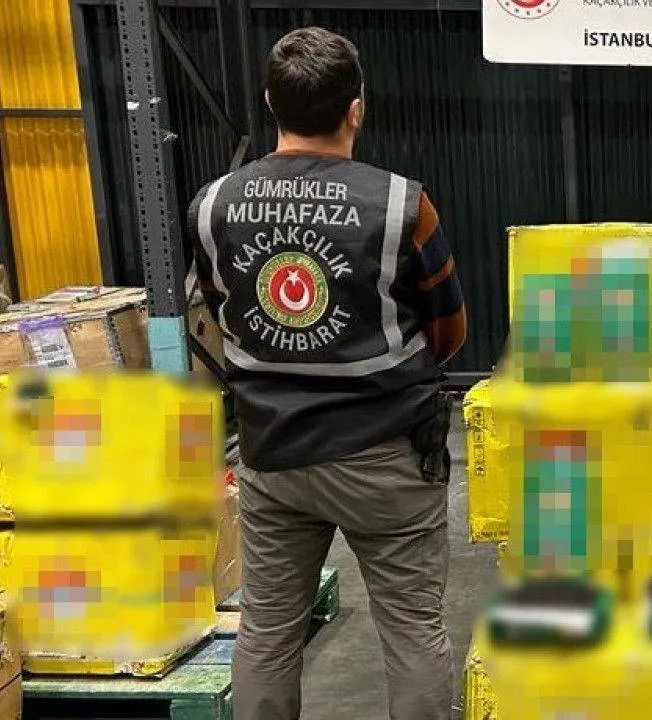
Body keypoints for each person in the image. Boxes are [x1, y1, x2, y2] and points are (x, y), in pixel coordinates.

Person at [188, 27, 467, 720]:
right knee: (413, 633)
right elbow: (450, 331)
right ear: (355, 109)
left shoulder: (213, 204)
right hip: (386, 458)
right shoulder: (401, 205)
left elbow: (216, 319)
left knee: (267, 634)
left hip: (273, 456)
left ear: (269, 103)